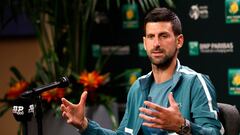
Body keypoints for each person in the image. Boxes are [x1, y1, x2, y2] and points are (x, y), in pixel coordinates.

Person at [60, 7, 224, 135]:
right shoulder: (138, 88)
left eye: (163, 36)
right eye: (151, 37)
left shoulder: (196, 83)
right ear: (145, 43)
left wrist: (182, 125)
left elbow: (214, 133)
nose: (156, 43)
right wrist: (84, 125)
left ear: (179, 41)